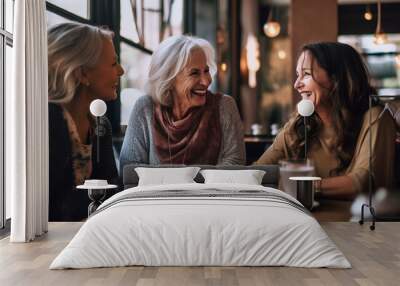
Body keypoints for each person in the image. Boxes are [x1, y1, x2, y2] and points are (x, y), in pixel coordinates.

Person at [255, 42, 396, 199]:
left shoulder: (376, 117)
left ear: (337, 78)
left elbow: (362, 182)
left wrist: (298, 186)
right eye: (297, 75)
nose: (297, 85)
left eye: (306, 74)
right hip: (305, 219)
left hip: (351, 222)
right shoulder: (300, 122)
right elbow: (258, 171)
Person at [120, 35, 245, 169]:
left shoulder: (224, 106)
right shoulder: (145, 108)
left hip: (212, 191)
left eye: (206, 71)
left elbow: (235, 166)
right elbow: (129, 170)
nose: (206, 81)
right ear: (169, 78)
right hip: (155, 192)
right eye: (195, 73)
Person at [48, 23, 124, 221]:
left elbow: (112, 193)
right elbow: (55, 208)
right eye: (114, 63)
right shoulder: (49, 121)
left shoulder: (100, 125)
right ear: (83, 74)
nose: (121, 71)